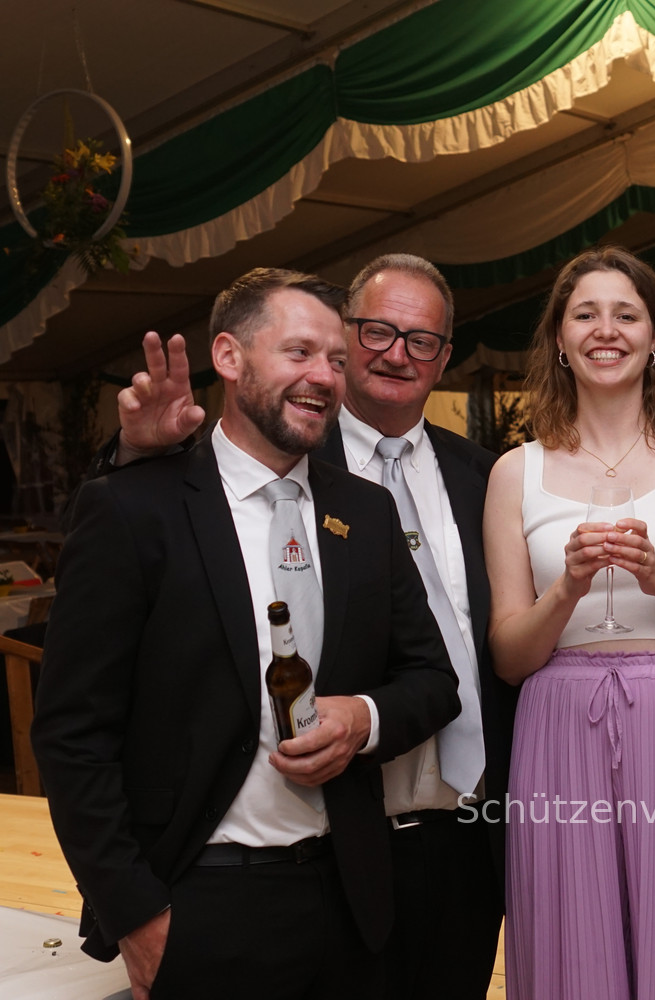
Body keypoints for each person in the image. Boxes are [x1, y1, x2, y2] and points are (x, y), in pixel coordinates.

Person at [30, 267, 461, 1000]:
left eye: (335, 359)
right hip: (200, 902)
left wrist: (363, 718)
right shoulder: (137, 509)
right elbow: (72, 735)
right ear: (229, 356)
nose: (323, 376)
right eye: (299, 352)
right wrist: (135, 914)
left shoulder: (365, 512)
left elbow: (432, 680)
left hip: (350, 903)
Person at [483, 245, 655, 999]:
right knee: (569, 939)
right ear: (560, 339)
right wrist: (566, 589)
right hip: (558, 719)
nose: (605, 330)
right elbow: (509, 656)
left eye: (626, 314)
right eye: (585, 314)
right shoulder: (514, 472)